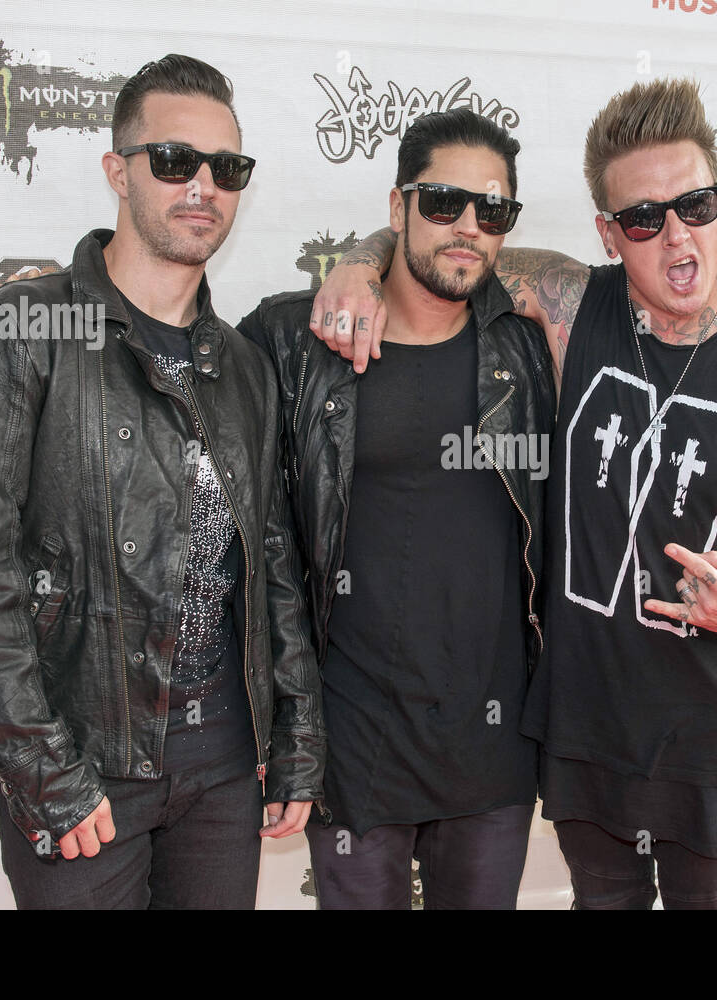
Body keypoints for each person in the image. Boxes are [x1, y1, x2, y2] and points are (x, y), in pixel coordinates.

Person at [314, 78, 717, 909]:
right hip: (584, 728)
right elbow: (454, 240)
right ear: (608, 231)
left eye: (696, 205)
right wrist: (356, 262)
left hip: (710, 735)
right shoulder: (570, 304)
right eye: (644, 218)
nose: (676, 234)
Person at [0, 54, 324, 910]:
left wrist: (295, 737)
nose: (202, 186)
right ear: (117, 171)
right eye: (174, 160)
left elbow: (273, 567)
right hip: (85, 762)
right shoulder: (25, 328)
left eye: (227, 168)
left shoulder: (244, 367)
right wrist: (42, 771)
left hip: (221, 769)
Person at [237, 109, 555, 909]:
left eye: (493, 212)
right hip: (351, 742)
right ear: (397, 205)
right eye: (443, 203)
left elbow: (654, 275)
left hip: (493, 744)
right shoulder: (294, 339)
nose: (469, 229)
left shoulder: (532, 339)